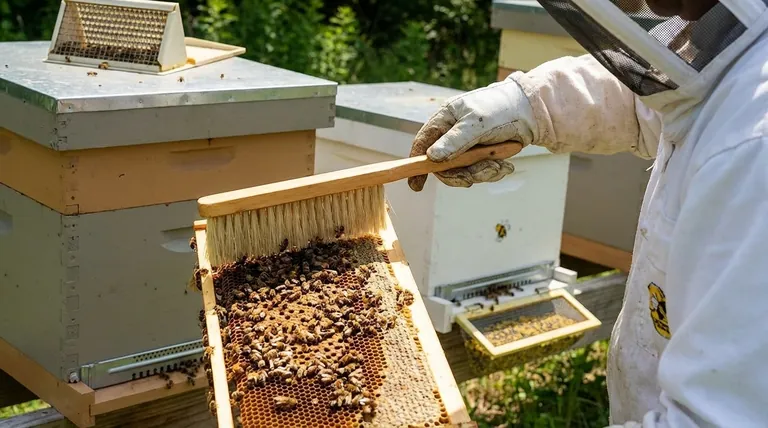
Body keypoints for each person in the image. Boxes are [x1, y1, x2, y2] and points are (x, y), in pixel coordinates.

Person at [407, 1, 768, 426]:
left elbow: (718, 417)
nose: (635, 6)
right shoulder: (731, 53)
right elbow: (662, 97)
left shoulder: (753, 149)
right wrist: (526, 104)